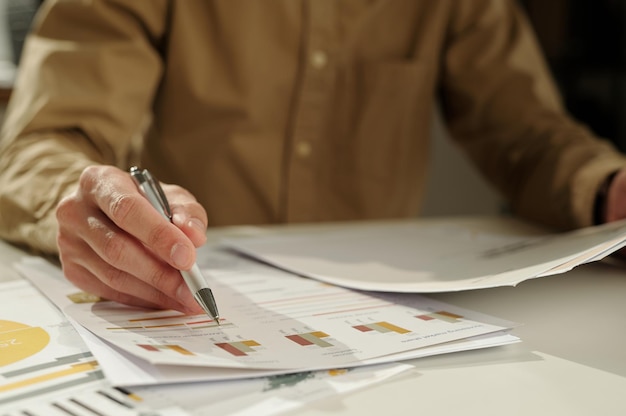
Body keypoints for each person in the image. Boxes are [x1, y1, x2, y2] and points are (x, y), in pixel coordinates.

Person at [1, 0, 625, 314]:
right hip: (185, 288)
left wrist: (606, 188)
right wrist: (92, 204)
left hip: (399, 321)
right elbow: (39, 144)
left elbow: (527, 131)